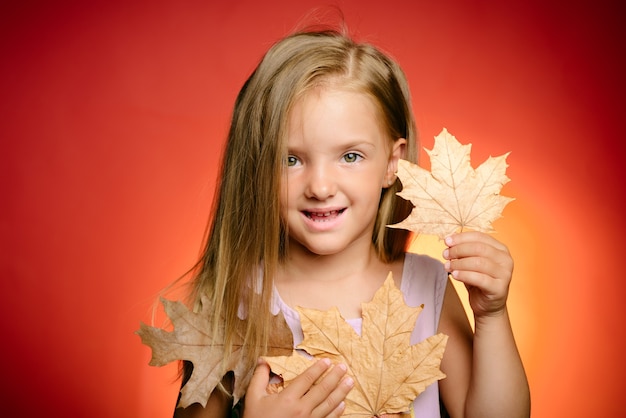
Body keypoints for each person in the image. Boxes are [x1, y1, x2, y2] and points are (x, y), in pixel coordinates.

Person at [172, 26, 530, 418]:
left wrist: (491, 317)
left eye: (350, 156)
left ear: (393, 163)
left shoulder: (425, 287)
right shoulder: (234, 298)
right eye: (290, 159)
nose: (321, 186)